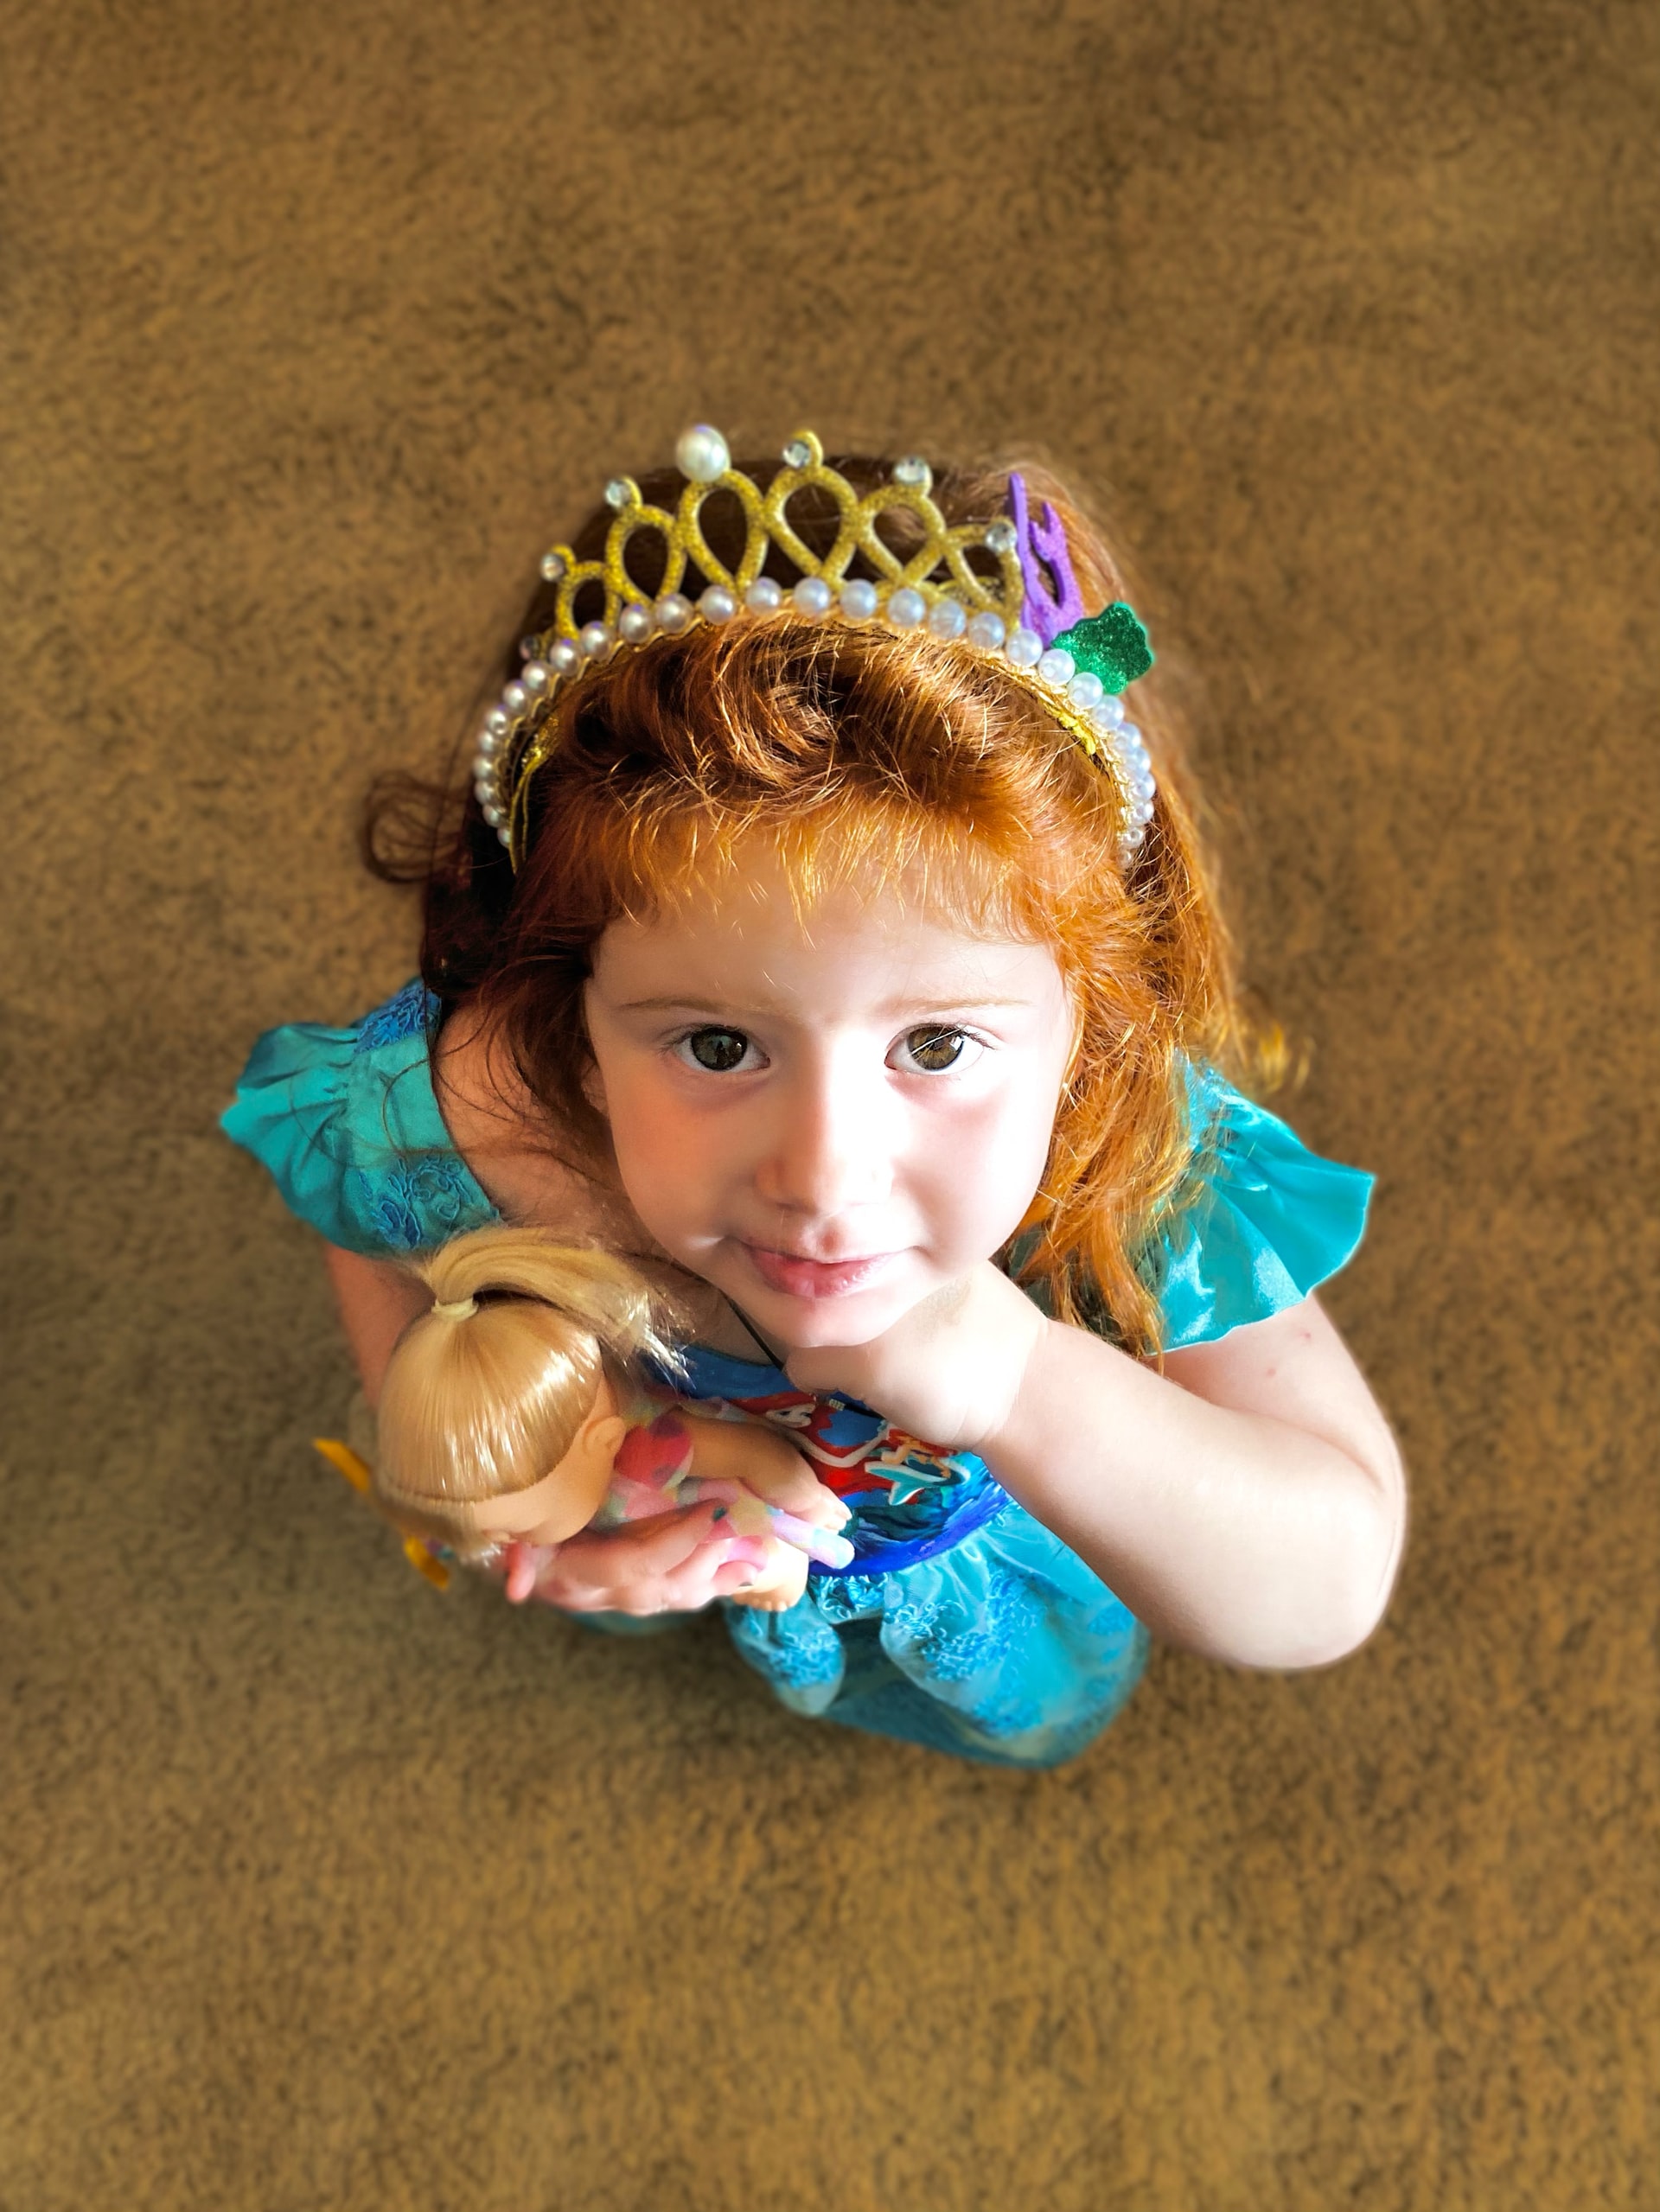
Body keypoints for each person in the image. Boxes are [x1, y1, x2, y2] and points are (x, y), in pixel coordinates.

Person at [222, 423, 1405, 1767]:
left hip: (1000, 1582)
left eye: (941, 1047)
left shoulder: (1135, 1160)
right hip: (696, 1532)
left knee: (1035, 1709)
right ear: (572, 1004)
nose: (826, 1174)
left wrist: (1022, 1382)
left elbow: (1330, 1574)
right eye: (719, 1047)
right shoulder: (494, 1103)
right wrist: (555, 1488)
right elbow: (366, 1211)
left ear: (1093, 1021)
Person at [361, 1224, 853, 1610]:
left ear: (604, 1441)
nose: (502, 1540)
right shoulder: (560, 1493)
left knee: (759, 1559)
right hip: (651, 1547)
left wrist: (802, 1496)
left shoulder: (656, 1446)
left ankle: (783, 1573)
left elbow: (751, 1454)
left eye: (519, 1526)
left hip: (724, 1519)